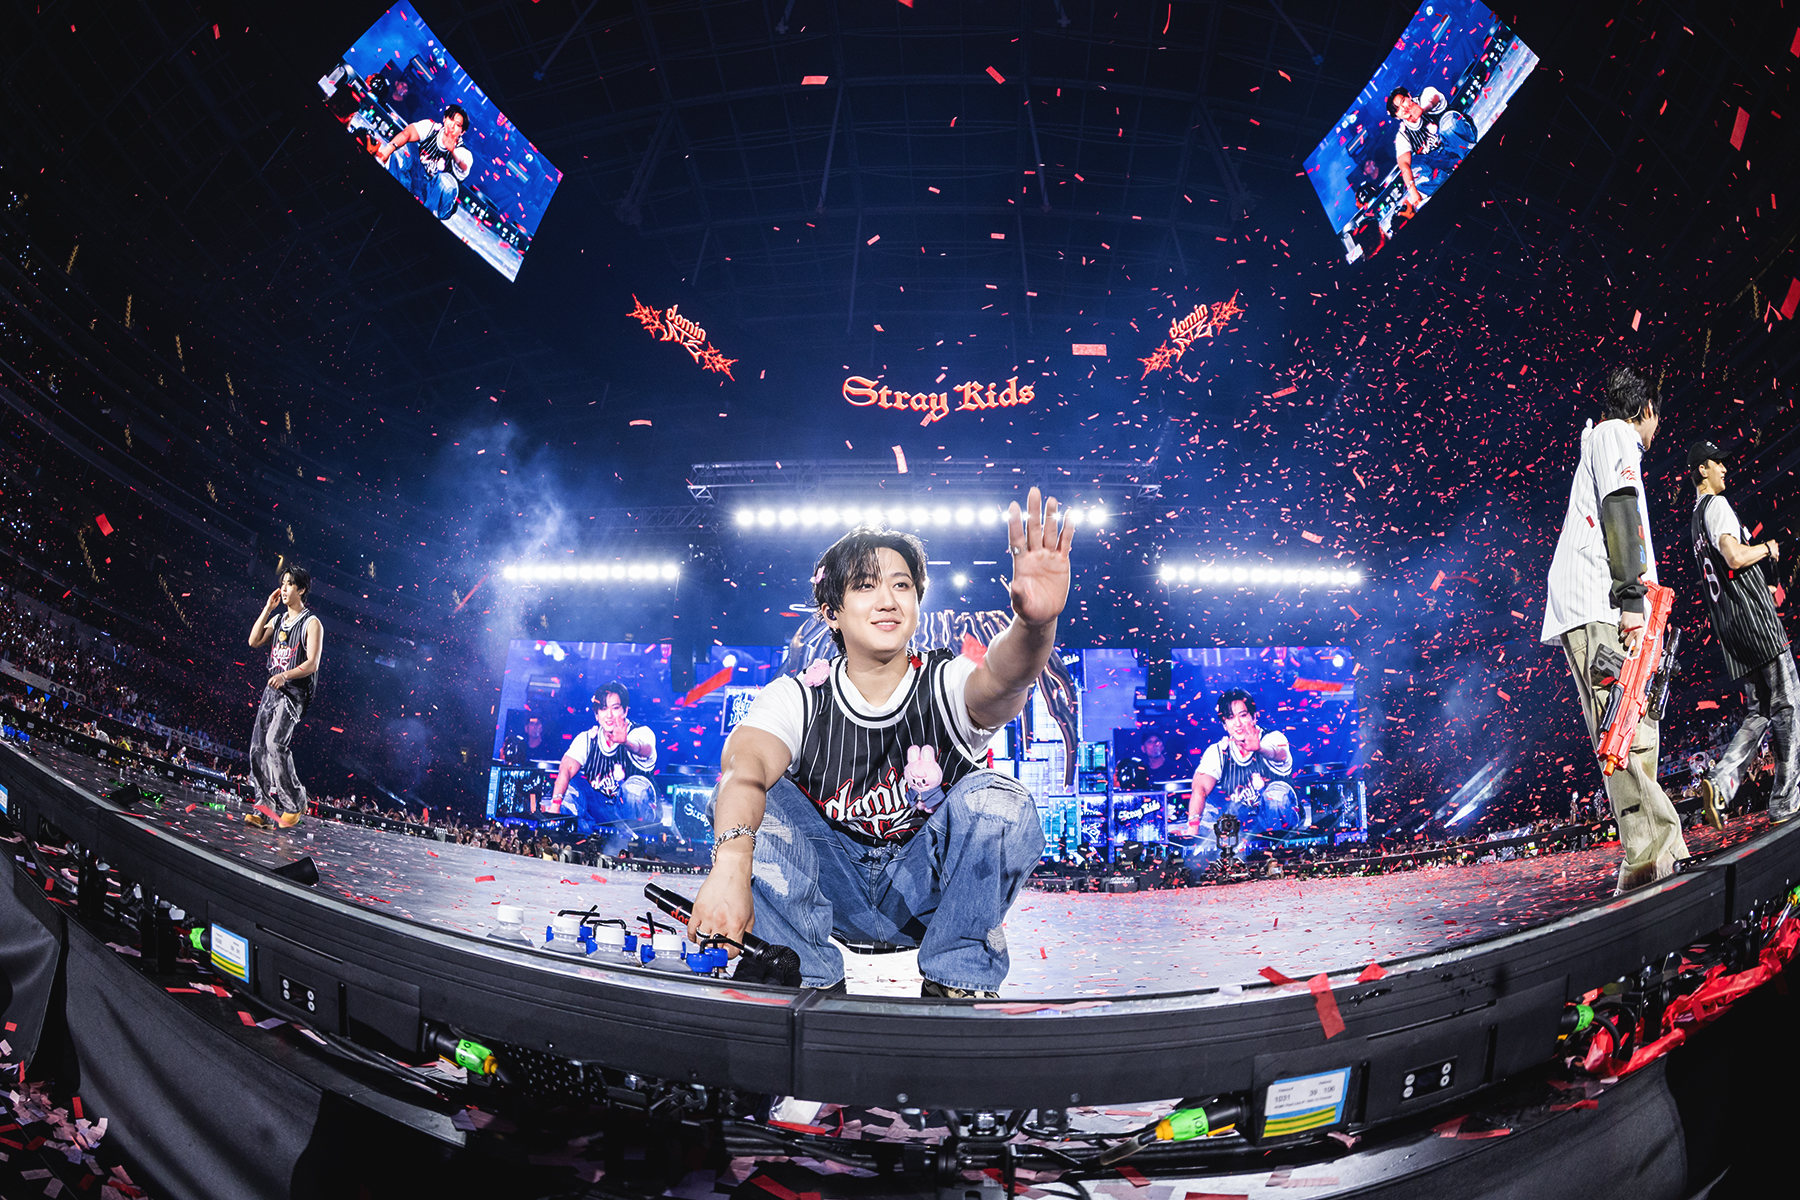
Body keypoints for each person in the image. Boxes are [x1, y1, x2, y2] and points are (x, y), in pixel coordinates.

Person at [687, 489, 1071, 997]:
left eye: (902, 585)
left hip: (924, 889)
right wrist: (731, 868)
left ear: (916, 603)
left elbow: (1002, 680)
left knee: (1001, 800)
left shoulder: (947, 681)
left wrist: (1034, 625)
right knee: (746, 795)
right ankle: (800, 973)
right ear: (832, 612)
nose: (888, 600)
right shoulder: (799, 696)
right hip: (829, 887)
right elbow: (745, 769)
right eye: (866, 586)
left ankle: (958, 980)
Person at [1542, 367, 1690, 892]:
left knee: (1635, 729)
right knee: (1620, 728)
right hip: (1600, 606)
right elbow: (1619, 508)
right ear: (1644, 409)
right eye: (1657, 416)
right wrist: (1631, 599)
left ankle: (1646, 860)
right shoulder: (1615, 434)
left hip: (1605, 606)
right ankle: (1659, 851)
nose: (1657, 428)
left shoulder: (1605, 440)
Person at [1688, 439, 1797, 823]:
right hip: (1757, 625)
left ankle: (1721, 782)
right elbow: (1733, 556)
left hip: (1732, 630)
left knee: (1760, 711)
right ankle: (1785, 800)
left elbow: (1725, 572)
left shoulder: (1695, 522)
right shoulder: (1716, 506)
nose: (1724, 468)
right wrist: (1767, 548)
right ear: (1702, 469)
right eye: (1717, 463)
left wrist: (1761, 584)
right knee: (1789, 705)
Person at [244, 566, 322, 830]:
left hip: (294, 691)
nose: (284, 588)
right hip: (272, 688)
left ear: (302, 589)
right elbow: (253, 641)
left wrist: (285, 675)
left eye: (290, 583)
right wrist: (268, 608)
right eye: (283, 583)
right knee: (257, 748)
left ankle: (296, 801)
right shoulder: (278, 620)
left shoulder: (312, 623)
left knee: (274, 743)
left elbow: (312, 663)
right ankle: (264, 811)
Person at [1183, 690, 1301, 847]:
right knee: (1208, 804)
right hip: (1243, 829)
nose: (1238, 723)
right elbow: (1200, 789)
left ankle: (1281, 850)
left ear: (1254, 717)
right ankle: (1213, 854)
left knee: (1275, 795)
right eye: (1230, 718)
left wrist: (1259, 748)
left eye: (1243, 715)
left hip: (1281, 827)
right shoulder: (1218, 751)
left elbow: (1278, 753)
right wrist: (1192, 830)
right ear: (1224, 724)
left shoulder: (1273, 738)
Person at [552, 683, 658, 838]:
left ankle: (635, 842)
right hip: (602, 813)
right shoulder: (587, 739)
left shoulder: (640, 733)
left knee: (633, 789)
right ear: (597, 715)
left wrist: (625, 742)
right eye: (603, 708)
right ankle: (579, 838)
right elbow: (565, 769)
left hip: (636, 816)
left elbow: (644, 748)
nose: (609, 715)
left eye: (615, 708)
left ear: (625, 710)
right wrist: (555, 805)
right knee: (572, 785)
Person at [374, 102, 473, 221]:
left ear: (462, 132)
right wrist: (388, 149)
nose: (451, 126)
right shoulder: (431, 128)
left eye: (457, 125)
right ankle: (392, 191)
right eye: (450, 119)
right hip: (415, 181)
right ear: (444, 119)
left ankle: (424, 220)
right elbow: (407, 133)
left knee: (446, 181)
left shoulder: (463, 152)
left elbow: (464, 165)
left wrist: (452, 151)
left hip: (435, 199)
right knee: (404, 148)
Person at [1388, 85, 1477, 212]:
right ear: (1397, 117)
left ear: (1409, 96)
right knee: (1413, 166)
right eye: (1397, 109)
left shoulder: (1425, 95)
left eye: (1403, 101)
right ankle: (1446, 185)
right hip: (1443, 161)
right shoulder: (1403, 136)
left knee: (1448, 124)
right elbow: (1404, 165)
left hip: (1458, 142)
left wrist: (1422, 110)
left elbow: (1433, 99)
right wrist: (1412, 190)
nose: (1403, 108)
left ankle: (1473, 157)